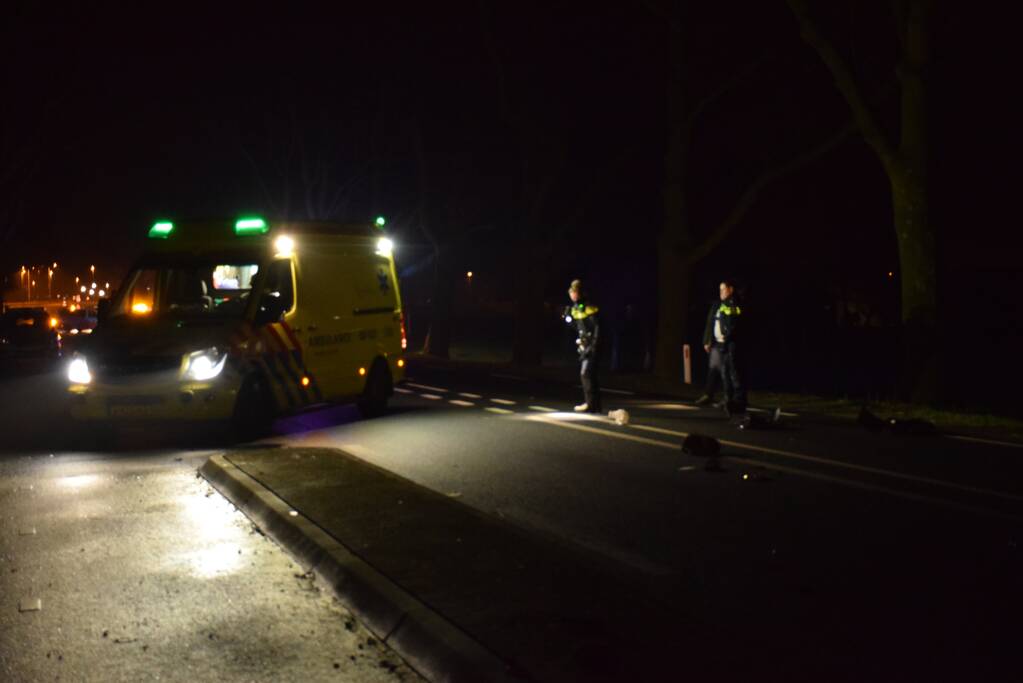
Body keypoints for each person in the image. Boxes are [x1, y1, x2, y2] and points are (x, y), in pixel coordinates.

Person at [695, 280, 746, 414]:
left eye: (724, 289)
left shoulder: (734, 303)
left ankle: (738, 401)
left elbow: (733, 325)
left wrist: (726, 338)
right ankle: (727, 399)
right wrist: (708, 340)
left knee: (733, 373)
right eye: (720, 290)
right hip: (720, 343)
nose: (721, 292)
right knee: (723, 372)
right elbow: (711, 322)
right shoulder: (719, 304)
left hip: (729, 343)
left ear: (731, 289)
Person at [566, 279, 602, 413]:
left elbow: (597, 327)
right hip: (585, 345)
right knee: (589, 374)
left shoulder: (588, 307)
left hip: (591, 346)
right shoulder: (575, 308)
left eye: (575, 291)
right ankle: (594, 405)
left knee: (585, 373)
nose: (572, 294)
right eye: (571, 292)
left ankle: (591, 404)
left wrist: (593, 345)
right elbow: (577, 326)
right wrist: (568, 319)